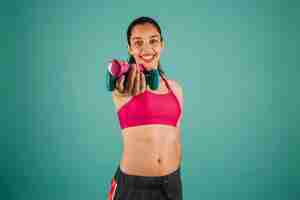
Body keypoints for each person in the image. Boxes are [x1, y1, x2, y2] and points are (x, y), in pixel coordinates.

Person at [107, 16, 184, 200]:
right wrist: (119, 76)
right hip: (135, 188)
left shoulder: (176, 89)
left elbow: (174, 137)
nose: (146, 48)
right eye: (138, 42)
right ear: (130, 48)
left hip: (172, 184)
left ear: (162, 45)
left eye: (153, 41)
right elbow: (121, 87)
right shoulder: (125, 86)